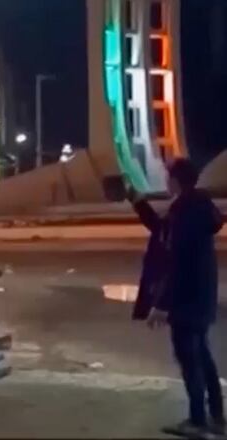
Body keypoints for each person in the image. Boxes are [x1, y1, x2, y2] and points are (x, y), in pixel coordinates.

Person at [129, 158, 225, 438]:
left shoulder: (187, 212)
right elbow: (162, 231)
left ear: (176, 181)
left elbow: (178, 263)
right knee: (203, 356)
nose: (165, 181)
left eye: (168, 177)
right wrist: (138, 202)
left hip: (187, 300)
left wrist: (161, 304)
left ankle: (198, 420)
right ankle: (216, 416)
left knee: (190, 359)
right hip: (200, 297)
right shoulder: (195, 207)